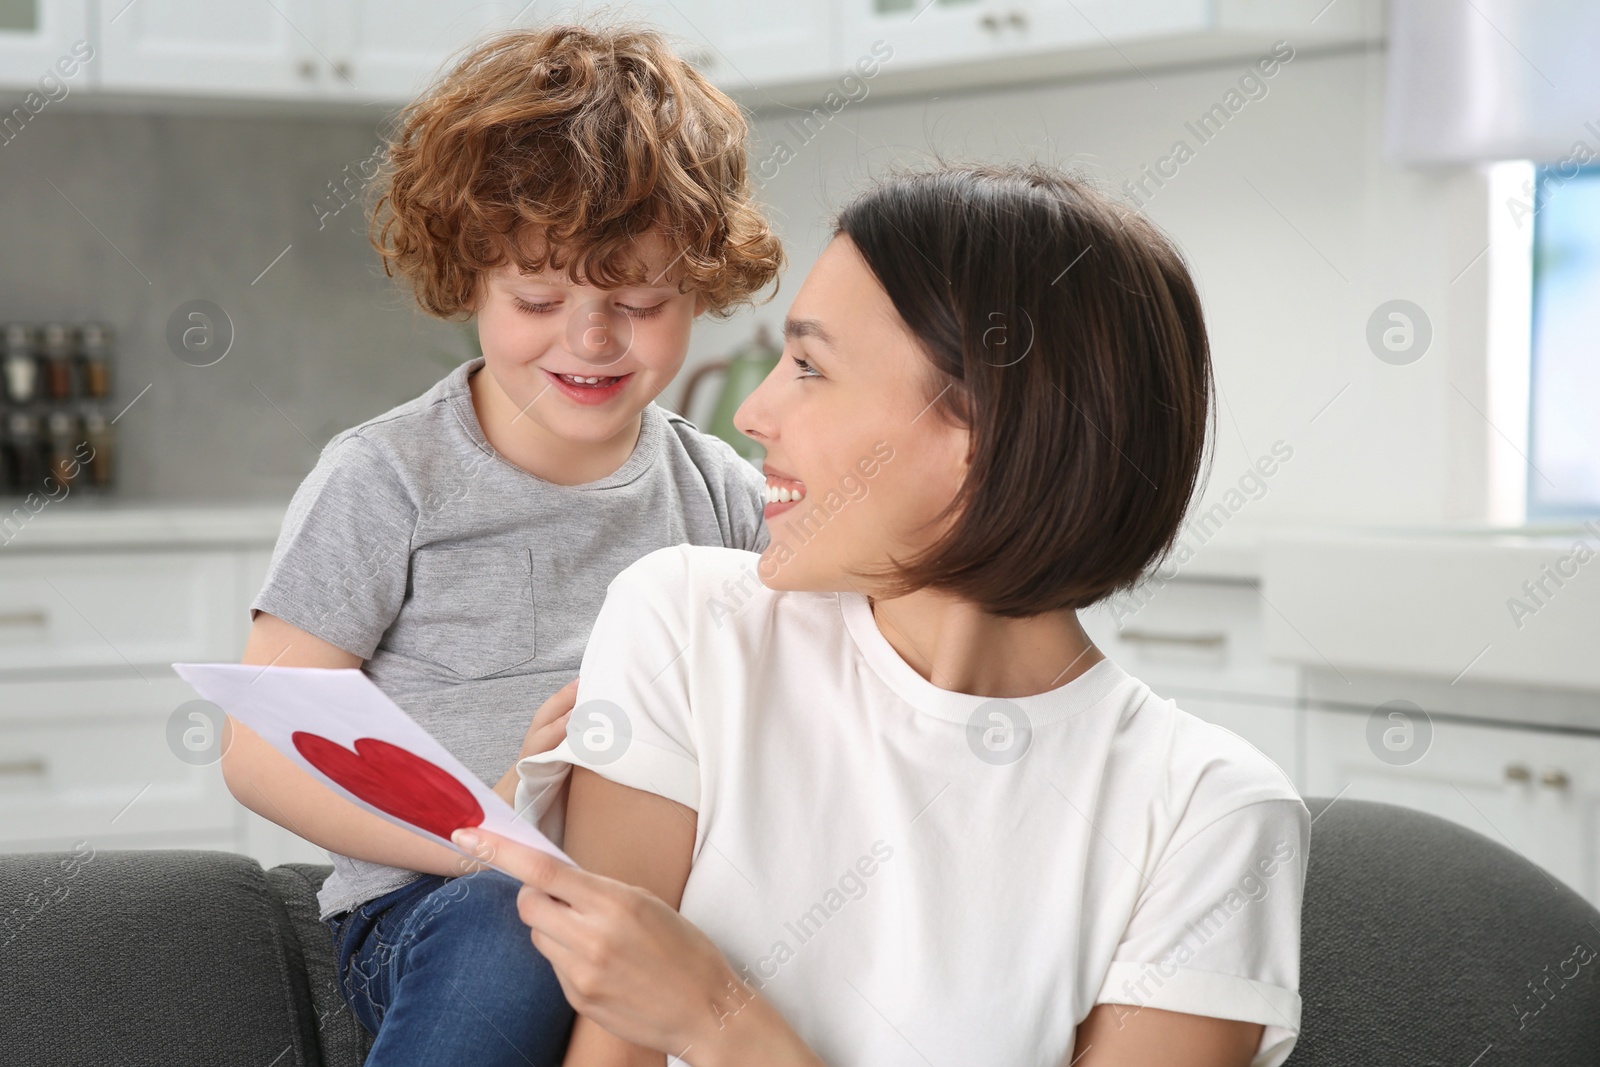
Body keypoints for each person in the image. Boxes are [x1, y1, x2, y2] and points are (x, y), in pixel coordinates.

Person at [483, 162, 1311, 1067]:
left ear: (982, 429)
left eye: (808, 366)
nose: (755, 413)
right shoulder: (688, 625)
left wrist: (721, 1022)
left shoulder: (1210, 811)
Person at [219, 24, 782, 1067]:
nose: (593, 337)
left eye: (640, 301)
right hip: (441, 906)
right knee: (509, 926)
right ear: (467, 279)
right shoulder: (386, 477)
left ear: (700, 287)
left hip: (657, 911)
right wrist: (488, 836)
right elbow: (260, 749)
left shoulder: (722, 493)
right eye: (538, 300)